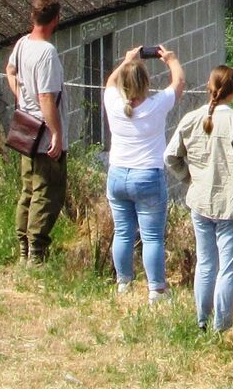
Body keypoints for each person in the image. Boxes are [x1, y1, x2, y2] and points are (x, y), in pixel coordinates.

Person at [167, 64, 233, 331]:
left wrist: (189, 178)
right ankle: (222, 326)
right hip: (231, 203)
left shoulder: (191, 118)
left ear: (209, 87)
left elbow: (170, 156)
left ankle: (202, 320)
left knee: (206, 263)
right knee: (229, 269)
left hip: (200, 200)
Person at [103, 44, 186, 301]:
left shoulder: (113, 102)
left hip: (117, 174)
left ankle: (123, 282)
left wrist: (127, 61)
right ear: (146, 83)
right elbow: (179, 83)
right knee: (151, 238)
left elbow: (110, 81)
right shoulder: (156, 105)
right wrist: (171, 59)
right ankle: (156, 289)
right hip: (147, 176)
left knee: (123, 231)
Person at [3, 0, 67, 262]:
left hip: (25, 127)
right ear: (55, 20)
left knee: (27, 188)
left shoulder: (22, 43)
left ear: (33, 17)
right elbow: (46, 97)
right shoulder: (46, 52)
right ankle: (36, 250)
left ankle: (22, 245)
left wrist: (20, 98)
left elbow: (9, 71)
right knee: (48, 189)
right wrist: (56, 133)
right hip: (42, 131)